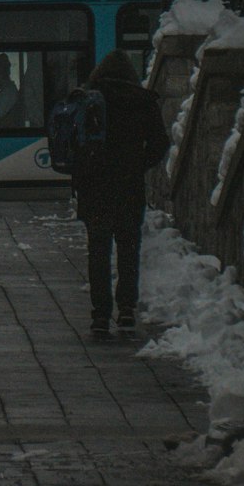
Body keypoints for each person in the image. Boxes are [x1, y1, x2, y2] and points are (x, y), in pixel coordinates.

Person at [74, 49, 168, 336]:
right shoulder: (142, 102)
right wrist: (138, 164)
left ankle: (100, 315)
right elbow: (160, 143)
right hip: (129, 188)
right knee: (128, 249)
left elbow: (74, 142)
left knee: (98, 251)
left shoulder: (89, 100)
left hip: (95, 187)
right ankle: (126, 309)